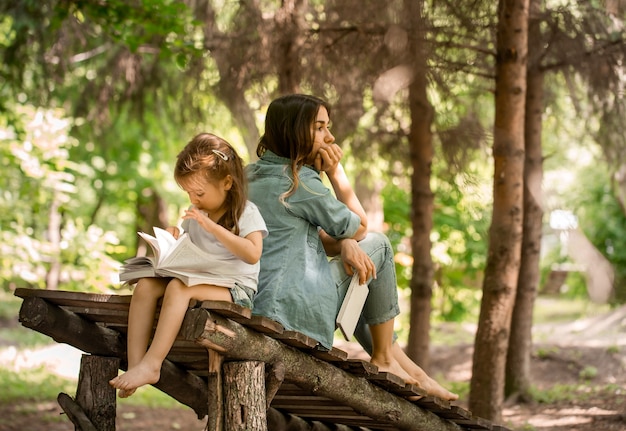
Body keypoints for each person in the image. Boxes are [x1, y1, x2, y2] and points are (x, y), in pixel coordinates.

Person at [246, 94, 458, 401]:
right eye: (320, 128)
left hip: (262, 306)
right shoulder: (299, 183)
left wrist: (344, 243)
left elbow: (294, 239)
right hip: (294, 314)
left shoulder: (249, 176)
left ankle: (415, 372)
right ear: (293, 131)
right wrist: (336, 174)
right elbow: (360, 227)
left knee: (358, 271)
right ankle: (385, 358)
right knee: (379, 247)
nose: (330, 137)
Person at [110, 133, 267, 398]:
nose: (193, 199)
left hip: (236, 290)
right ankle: (136, 364)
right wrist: (173, 239)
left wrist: (213, 228)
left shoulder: (246, 212)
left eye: (199, 193)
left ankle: (153, 364)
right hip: (200, 279)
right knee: (147, 285)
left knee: (178, 288)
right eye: (188, 193)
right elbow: (190, 250)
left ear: (227, 182)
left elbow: (253, 254)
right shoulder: (198, 214)